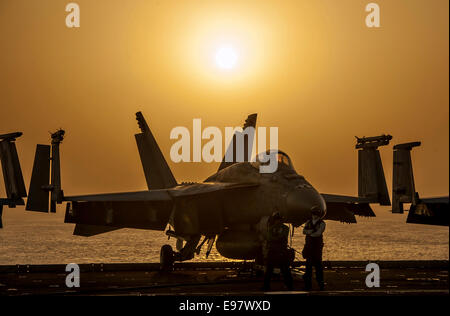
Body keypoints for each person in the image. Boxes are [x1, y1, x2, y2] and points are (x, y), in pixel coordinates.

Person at [262, 211, 294, 291]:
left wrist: (275, 238)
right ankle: (266, 286)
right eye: (276, 219)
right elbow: (270, 238)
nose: (277, 221)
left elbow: (279, 237)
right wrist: (277, 238)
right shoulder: (273, 228)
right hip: (275, 251)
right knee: (269, 270)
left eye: (278, 219)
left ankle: (289, 286)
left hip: (280, 251)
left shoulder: (284, 228)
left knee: (285, 270)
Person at [302, 206, 326, 290]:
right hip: (309, 248)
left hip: (317, 249)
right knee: (308, 268)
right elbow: (304, 231)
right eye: (313, 213)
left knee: (318, 268)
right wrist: (311, 232)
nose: (314, 215)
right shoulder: (308, 222)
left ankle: (321, 285)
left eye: (315, 213)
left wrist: (309, 233)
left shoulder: (322, 223)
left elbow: (318, 234)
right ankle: (308, 286)